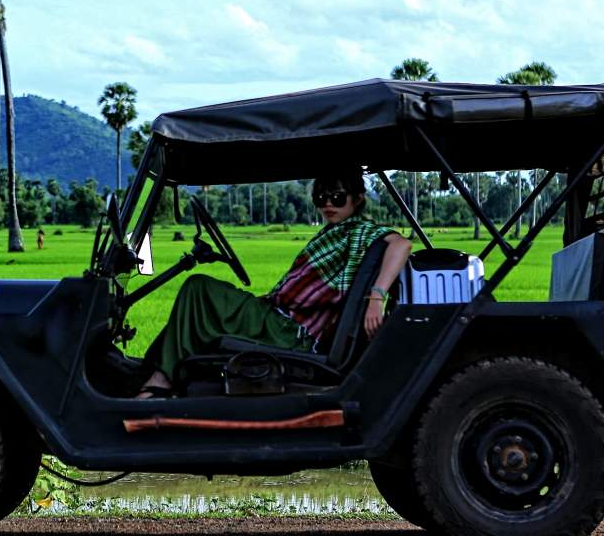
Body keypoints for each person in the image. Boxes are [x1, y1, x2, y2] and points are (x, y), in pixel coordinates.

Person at [136, 166, 413, 398]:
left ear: (358, 199)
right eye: (322, 196)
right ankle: (150, 374)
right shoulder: (336, 232)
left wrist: (376, 297)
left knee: (197, 288)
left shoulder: (359, 230)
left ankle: (159, 382)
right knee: (195, 307)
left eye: (338, 197)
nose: (328, 203)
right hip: (275, 316)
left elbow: (401, 244)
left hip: (288, 331)